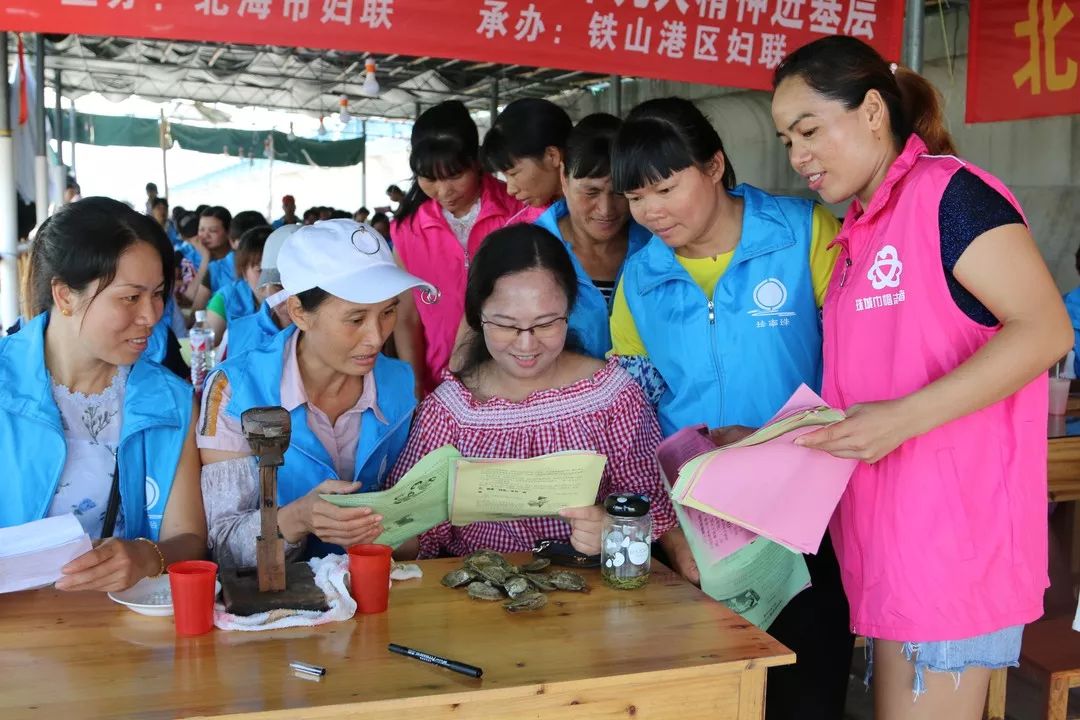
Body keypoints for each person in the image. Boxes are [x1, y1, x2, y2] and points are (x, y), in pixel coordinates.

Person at [771, 36, 1071, 719]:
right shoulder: (858, 231)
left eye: (810, 130)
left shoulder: (948, 196)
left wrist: (899, 420)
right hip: (889, 539)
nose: (798, 157)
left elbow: (1045, 327)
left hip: (952, 541)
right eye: (788, 140)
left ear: (873, 111)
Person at [608, 96, 851, 720]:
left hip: (806, 511)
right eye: (637, 198)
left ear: (714, 166)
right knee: (705, 691)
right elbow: (635, 403)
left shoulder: (803, 235)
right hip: (696, 524)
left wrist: (774, 440)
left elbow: (858, 367)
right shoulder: (642, 278)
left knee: (805, 686)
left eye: (666, 187)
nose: (652, 212)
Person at [388, 224, 694, 574]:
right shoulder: (451, 411)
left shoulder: (610, 395)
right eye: (506, 325)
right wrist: (385, 530)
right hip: (479, 598)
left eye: (546, 324)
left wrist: (612, 530)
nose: (526, 345)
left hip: (591, 597)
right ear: (478, 317)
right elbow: (414, 532)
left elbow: (654, 506)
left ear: (569, 310)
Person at [197, 219, 435, 565]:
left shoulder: (399, 384)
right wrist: (298, 519)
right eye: (355, 319)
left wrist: (406, 532)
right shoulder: (235, 391)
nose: (376, 336)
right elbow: (224, 544)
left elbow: (418, 523)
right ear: (299, 313)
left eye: (388, 312)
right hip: (279, 606)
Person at [0, 197, 205, 592]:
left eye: (159, 293)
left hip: (119, 634)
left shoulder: (172, 404)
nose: (151, 315)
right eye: (130, 297)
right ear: (65, 297)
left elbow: (190, 539)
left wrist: (146, 556)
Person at [391, 100, 527, 396]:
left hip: (514, 379)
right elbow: (407, 316)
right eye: (429, 179)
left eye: (454, 176)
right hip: (437, 384)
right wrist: (414, 385)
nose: (444, 191)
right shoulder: (407, 230)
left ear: (476, 161)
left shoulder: (517, 209)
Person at [533, 113, 650, 359]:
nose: (606, 210)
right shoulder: (530, 251)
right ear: (564, 178)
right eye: (591, 191)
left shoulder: (655, 246)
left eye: (620, 193)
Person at [481, 97, 571, 223]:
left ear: (552, 156)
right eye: (506, 176)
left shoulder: (600, 214)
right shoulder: (527, 227)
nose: (510, 190)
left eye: (513, 173)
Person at [227, 223, 298, 357]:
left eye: (302, 290)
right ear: (265, 285)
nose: (292, 298)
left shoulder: (335, 337)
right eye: (279, 286)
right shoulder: (238, 332)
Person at [206, 225, 270, 347]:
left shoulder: (296, 301)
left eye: (276, 270)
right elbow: (208, 349)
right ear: (244, 272)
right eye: (260, 270)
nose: (270, 277)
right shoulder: (225, 300)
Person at [186, 206, 234, 309]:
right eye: (201, 230)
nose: (205, 236)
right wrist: (206, 257)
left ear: (228, 232)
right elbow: (191, 296)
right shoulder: (192, 258)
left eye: (212, 230)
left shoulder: (235, 260)